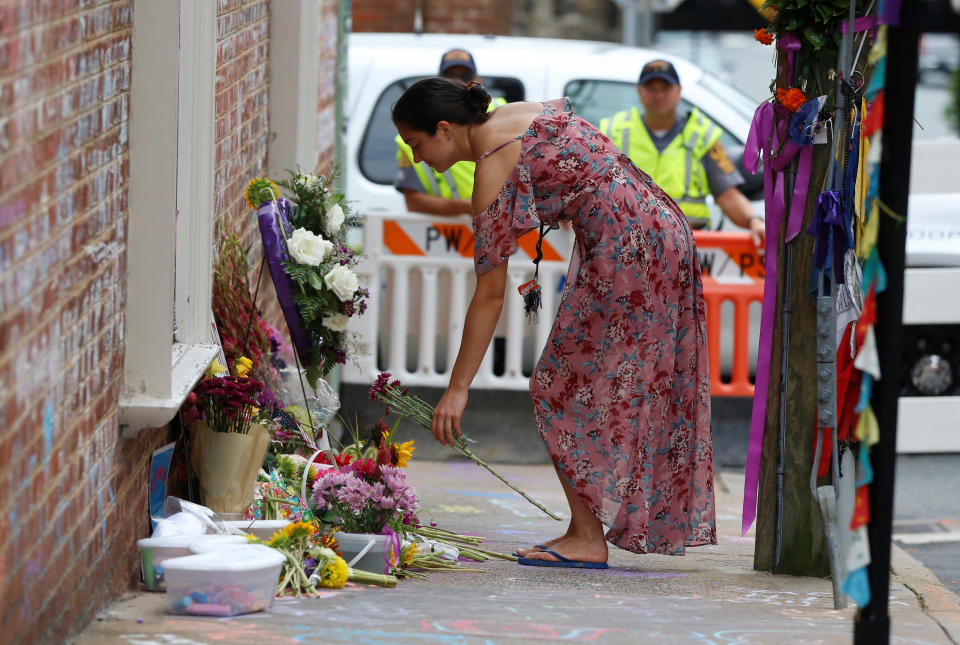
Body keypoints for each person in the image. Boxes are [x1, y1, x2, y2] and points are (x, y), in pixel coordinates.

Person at [392, 78, 717, 568]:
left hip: (628, 246)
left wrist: (457, 389)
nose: (418, 160)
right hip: (656, 225)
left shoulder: (491, 165)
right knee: (578, 381)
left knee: (558, 385)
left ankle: (588, 537)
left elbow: (490, 294)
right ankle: (583, 528)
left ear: (444, 129)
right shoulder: (516, 113)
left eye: (417, 145)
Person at [598, 59, 765, 249]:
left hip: (686, 252)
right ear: (639, 91)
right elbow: (592, 186)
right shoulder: (613, 132)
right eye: (651, 88)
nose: (659, 95)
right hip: (629, 249)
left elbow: (727, 195)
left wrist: (753, 221)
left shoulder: (702, 135)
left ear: (678, 91)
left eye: (665, 88)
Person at [394, 48, 507, 217]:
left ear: (478, 81)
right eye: (450, 76)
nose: (458, 81)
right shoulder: (417, 129)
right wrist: (468, 207)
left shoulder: (503, 113)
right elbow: (413, 200)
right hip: (450, 235)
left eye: (465, 76)